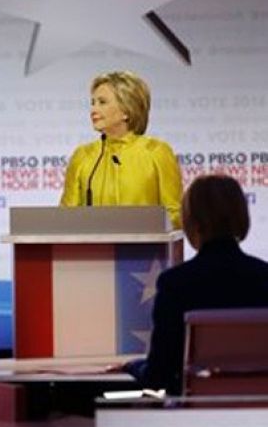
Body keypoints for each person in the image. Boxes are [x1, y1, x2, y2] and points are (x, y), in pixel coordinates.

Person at [124, 174, 268, 394]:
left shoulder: (175, 284)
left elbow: (157, 375)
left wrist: (132, 366)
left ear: (191, 221)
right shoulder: (264, 277)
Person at [60, 71, 183, 228]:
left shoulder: (156, 152)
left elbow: (175, 214)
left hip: (146, 251)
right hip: (94, 251)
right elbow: (65, 219)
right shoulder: (83, 155)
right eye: (93, 102)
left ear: (126, 109)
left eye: (102, 102)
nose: (93, 110)